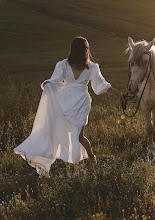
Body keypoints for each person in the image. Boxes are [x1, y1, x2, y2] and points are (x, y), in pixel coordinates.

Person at [14, 36, 123, 175]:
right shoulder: (63, 65)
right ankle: (76, 169)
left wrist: (119, 94)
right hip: (65, 103)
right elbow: (56, 81)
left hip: (82, 103)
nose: (84, 53)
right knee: (65, 134)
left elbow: (102, 85)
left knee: (78, 135)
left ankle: (91, 157)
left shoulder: (92, 67)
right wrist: (48, 84)